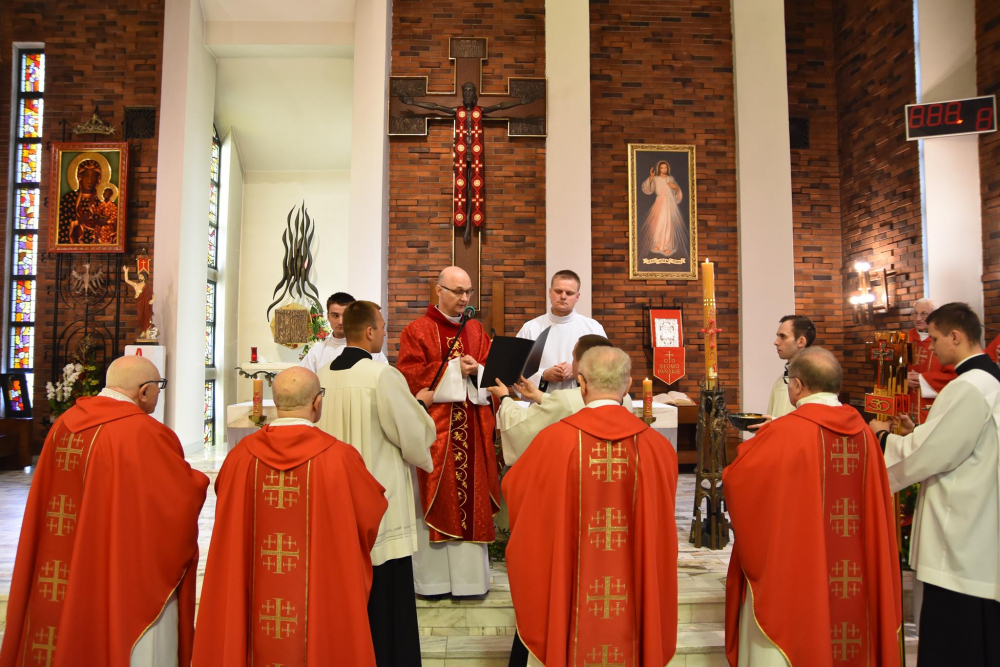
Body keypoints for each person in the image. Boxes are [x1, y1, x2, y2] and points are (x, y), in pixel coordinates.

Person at [0, 356, 209, 667]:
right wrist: (201, 481)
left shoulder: (64, 423)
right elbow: (177, 499)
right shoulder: (143, 431)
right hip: (117, 564)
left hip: (65, 557)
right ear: (144, 391)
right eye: (159, 386)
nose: (158, 392)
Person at [193, 367, 388, 665]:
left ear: (275, 403)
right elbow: (370, 513)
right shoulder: (340, 458)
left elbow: (227, 511)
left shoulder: (239, 458)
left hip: (253, 599)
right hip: (320, 593)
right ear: (317, 403)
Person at [503, 346, 679, 667]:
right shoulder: (658, 449)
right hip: (633, 584)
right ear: (627, 386)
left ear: (581, 384)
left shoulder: (553, 442)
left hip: (571, 582)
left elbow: (515, 491)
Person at [725, 347, 902, 666]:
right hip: (854, 571)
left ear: (797, 385)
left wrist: (762, 444)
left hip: (799, 568)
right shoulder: (865, 434)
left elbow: (738, 482)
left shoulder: (784, 431)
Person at [870, 303, 1000, 665]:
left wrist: (881, 438)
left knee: (955, 636)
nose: (932, 346)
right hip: (978, 524)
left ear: (956, 337)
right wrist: (920, 432)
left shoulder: (970, 387)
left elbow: (930, 454)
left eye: (936, 337)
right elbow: (961, 443)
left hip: (960, 534)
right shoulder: (989, 381)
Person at [316, 300, 436, 667]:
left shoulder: (322, 375)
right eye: (382, 327)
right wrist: (421, 407)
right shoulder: (382, 375)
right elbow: (411, 434)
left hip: (336, 498)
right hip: (380, 501)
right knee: (386, 593)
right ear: (369, 332)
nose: (385, 333)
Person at [396, 266, 500, 596]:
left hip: (473, 431)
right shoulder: (417, 330)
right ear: (438, 291)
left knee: (472, 502)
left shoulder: (476, 330)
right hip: (437, 436)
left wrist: (478, 370)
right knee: (438, 500)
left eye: (468, 292)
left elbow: (491, 373)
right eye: (457, 291)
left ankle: (471, 583)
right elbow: (409, 376)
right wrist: (456, 368)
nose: (464, 298)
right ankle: (434, 582)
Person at [489, 334, 633, 465]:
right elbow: (570, 404)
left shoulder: (566, 400)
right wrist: (539, 395)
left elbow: (519, 425)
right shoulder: (624, 398)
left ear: (582, 364)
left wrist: (504, 397)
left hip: (576, 469)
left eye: (573, 358)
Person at [515, 270, 607, 393]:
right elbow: (515, 368)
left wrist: (577, 369)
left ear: (577, 297)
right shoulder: (530, 328)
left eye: (569, 293)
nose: (563, 296)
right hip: (540, 401)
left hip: (580, 401)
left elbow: (606, 366)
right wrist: (543, 374)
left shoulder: (593, 328)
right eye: (558, 291)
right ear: (550, 292)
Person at [300, 292, 388, 372]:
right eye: (335, 315)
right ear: (328, 316)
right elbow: (303, 379)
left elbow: (383, 377)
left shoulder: (371, 350)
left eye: (345, 316)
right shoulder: (316, 352)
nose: (341, 322)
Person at [906, 298, 956, 424]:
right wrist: (902, 379)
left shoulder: (945, 340)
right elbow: (889, 371)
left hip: (935, 408)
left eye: (923, 314)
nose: (918, 318)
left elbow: (954, 376)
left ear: (935, 316)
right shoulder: (904, 339)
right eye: (915, 313)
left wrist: (923, 380)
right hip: (906, 406)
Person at [763, 314, 816, 421]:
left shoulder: (814, 380)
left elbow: (811, 422)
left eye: (783, 336)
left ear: (801, 341)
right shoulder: (780, 381)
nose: (776, 342)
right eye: (778, 336)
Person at [638, 159, 690, 261]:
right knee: (658, 223)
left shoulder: (671, 178)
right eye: (662, 168)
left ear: (667, 168)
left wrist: (675, 188)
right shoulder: (656, 178)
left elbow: (677, 191)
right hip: (659, 203)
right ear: (659, 169)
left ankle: (667, 246)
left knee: (668, 224)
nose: (664, 169)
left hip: (669, 203)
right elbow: (648, 189)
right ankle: (657, 243)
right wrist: (651, 178)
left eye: (665, 167)